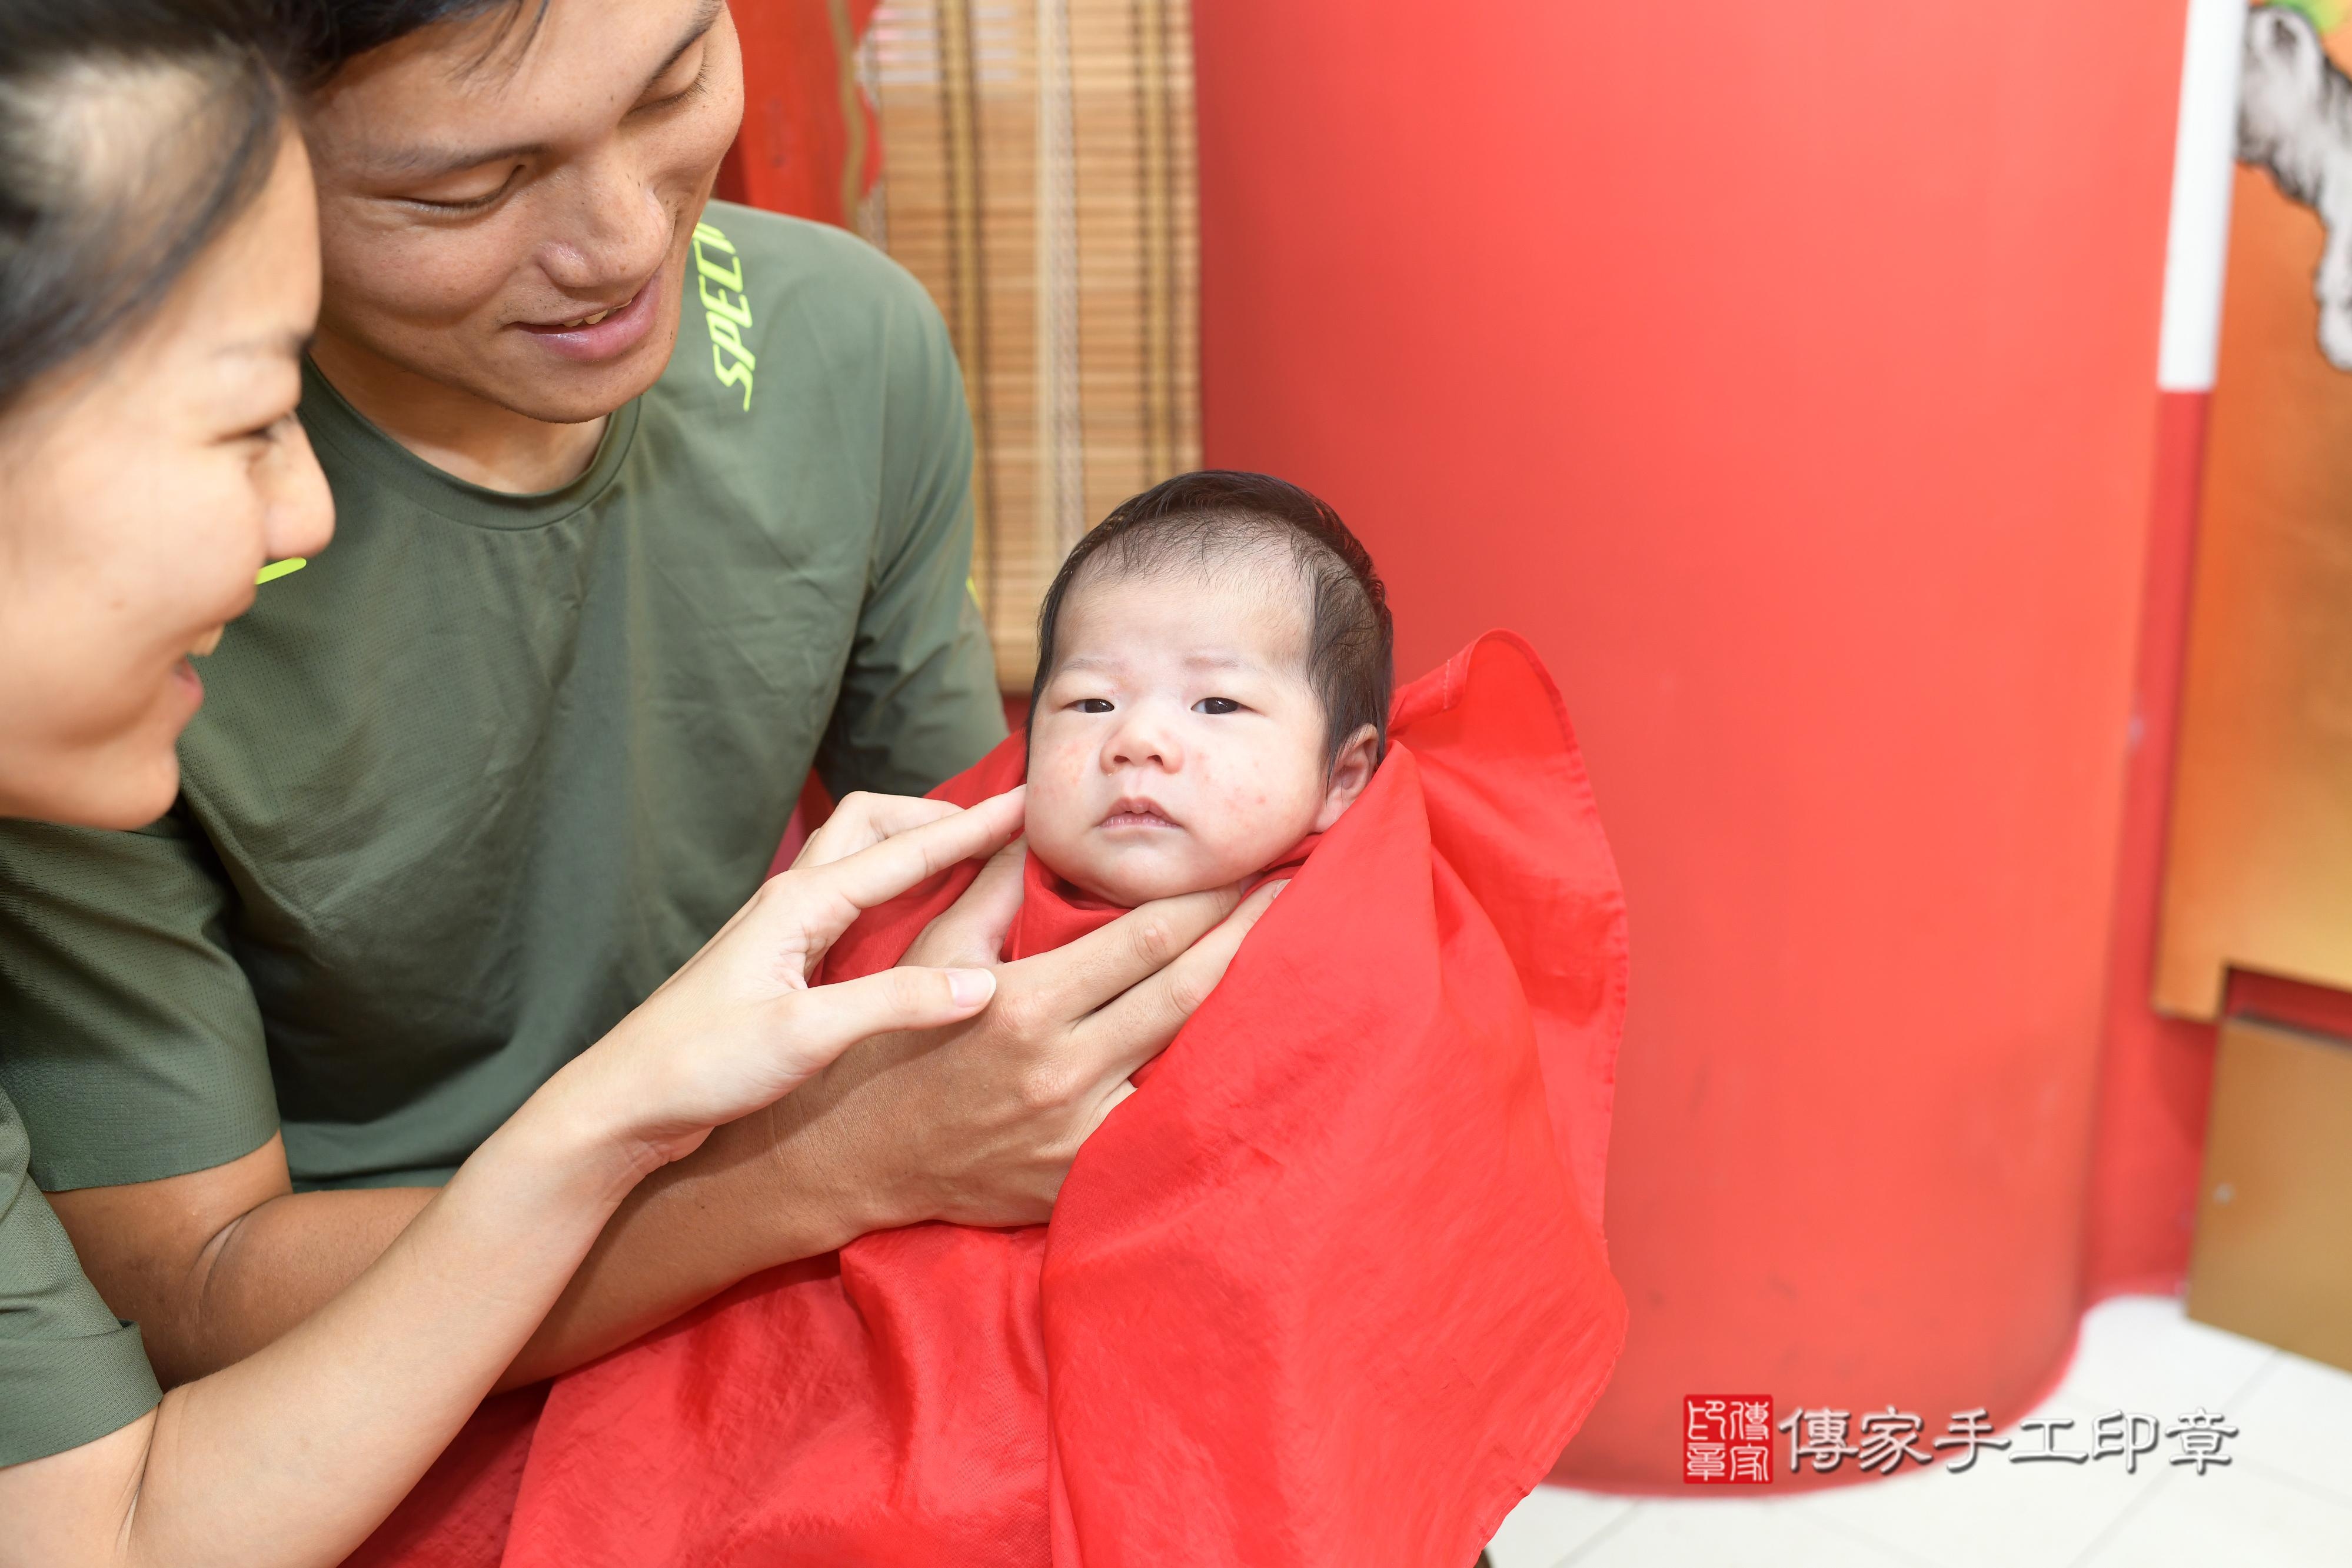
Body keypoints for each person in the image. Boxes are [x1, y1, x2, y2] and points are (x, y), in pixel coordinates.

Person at [0, 0, 1263, 1407]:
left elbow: (996, 890)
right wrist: (828, 1167)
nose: (624, 244)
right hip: (355, 1378)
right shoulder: (101, 585)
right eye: (464, 189)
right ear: (227, 162)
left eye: (672, 87)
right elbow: (189, 1295)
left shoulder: (842, 342)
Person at [394, 474, 1632, 1567]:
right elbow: (832, 1103)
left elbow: (1392, 1196)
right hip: (930, 1353)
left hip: (1191, 1380)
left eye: (1218, 709)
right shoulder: (955, 878)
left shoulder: (1372, 935)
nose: (1140, 740)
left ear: (1344, 775)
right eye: (1087, 702)